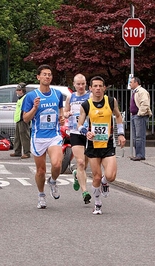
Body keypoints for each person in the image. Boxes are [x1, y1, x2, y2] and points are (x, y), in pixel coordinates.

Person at [77, 76, 126, 215]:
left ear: (104, 88)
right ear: (90, 88)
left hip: (108, 144)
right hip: (93, 145)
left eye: (100, 86)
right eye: (95, 86)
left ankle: (105, 182)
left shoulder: (111, 101)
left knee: (111, 176)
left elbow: (118, 117)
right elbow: (79, 124)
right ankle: (97, 203)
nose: (98, 88)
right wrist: (86, 132)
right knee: (96, 176)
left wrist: (121, 134)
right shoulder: (86, 105)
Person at [22, 64, 65, 209]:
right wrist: (34, 107)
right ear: (38, 77)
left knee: (57, 164)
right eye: (44, 74)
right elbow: (26, 119)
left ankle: (52, 181)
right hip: (38, 137)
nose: (47, 77)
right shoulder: (31, 96)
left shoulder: (57, 94)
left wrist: (62, 117)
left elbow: (60, 110)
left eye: (49, 74)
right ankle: (41, 195)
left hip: (54, 135)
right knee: (40, 171)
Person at [64, 74, 91, 204]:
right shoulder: (70, 97)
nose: (81, 86)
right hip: (75, 132)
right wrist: (67, 114)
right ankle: (85, 191)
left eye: (83, 84)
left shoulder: (90, 96)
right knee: (80, 162)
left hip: (89, 133)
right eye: (78, 84)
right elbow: (64, 112)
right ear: (74, 84)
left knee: (85, 164)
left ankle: (76, 174)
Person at [129, 77, 152, 161]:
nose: (130, 84)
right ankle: (138, 154)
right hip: (135, 116)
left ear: (136, 83)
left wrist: (140, 114)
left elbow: (145, 103)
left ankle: (140, 155)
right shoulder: (135, 92)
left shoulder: (142, 91)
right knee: (135, 137)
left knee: (139, 136)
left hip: (139, 116)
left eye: (131, 82)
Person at [10, 82, 31, 159]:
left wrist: (23, 118)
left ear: (21, 91)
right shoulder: (21, 98)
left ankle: (27, 152)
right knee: (17, 137)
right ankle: (17, 151)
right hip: (19, 119)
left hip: (23, 119)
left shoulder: (25, 98)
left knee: (24, 136)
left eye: (17, 90)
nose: (16, 92)